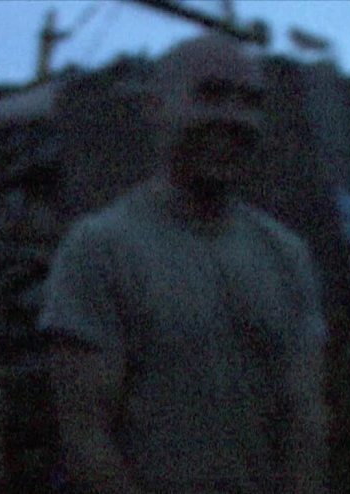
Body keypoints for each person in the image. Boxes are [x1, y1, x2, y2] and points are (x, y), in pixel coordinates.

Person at [39, 34, 329, 494]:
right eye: (210, 94)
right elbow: (87, 441)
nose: (232, 117)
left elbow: (305, 421)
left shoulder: (285, 253)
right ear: (155, 108)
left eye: (249, 102)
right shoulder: (101, 249)